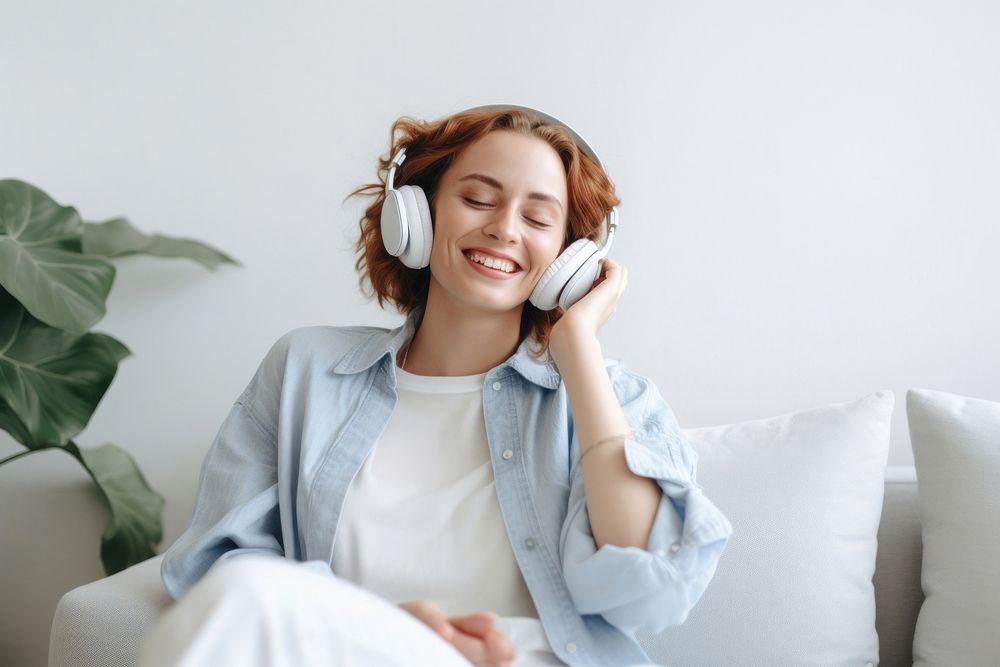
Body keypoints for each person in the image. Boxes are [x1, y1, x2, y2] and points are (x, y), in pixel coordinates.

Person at [138, 104, 733, 667]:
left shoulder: (613, 400)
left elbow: (652, 592)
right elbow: (214, 569)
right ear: (416, 217)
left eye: (537, 218)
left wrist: (577, 349)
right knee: (244, 589)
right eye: (477, 199)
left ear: (569, 258)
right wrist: (383, 630)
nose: (503, 229)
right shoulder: (305, 369)